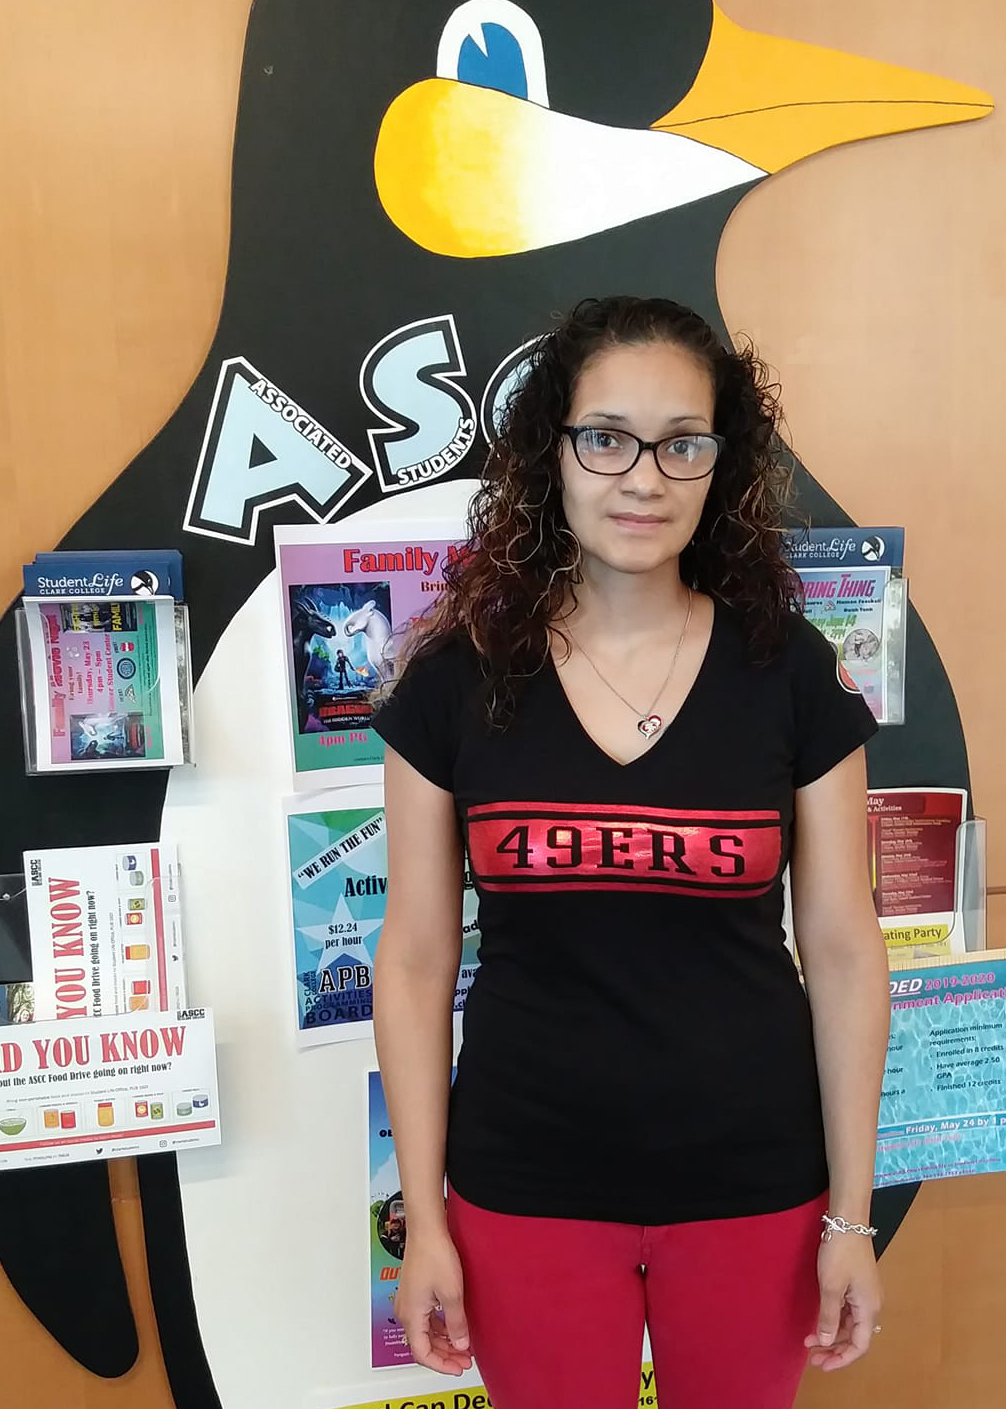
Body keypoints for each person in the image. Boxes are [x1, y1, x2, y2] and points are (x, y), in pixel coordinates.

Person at [372, 296, 890, 1409]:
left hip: (755, 1183)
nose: (642, 477)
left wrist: (850, 1212)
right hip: (526, 1189)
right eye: (604, 437)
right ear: (549, 450)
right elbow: (413, 961)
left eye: (681, 443)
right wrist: (424, 1217)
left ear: (722, 464)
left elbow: (845, 948)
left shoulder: (791, 674)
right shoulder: (455, 681)